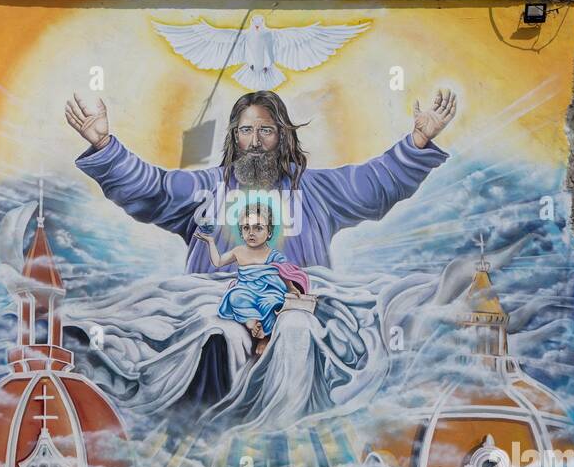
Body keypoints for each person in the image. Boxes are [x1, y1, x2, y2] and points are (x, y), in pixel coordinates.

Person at [65, 86, 457, 273]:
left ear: (282, 136)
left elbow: (373, 184)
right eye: (247, 131)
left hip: (294, 320)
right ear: (235, 137)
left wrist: (418, 141)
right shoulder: (208, 190)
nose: (256, 142)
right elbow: (153, 190)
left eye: (266, 131)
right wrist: (104, 145)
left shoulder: (314, 191)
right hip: (217, 321)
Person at [197, 204, 310, 355]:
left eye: (258, 228)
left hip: (269, 290)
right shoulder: (238, 251)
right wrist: (211, 242)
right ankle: (252, 323)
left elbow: (284, 273)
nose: (251, 233)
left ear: (269, 232)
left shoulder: (274, 255)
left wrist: (291, 288)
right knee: (235, 297)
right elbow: (218, 262)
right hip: (246, 289)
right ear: (241, 232)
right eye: (246, 228)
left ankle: (265, 335)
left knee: (271, 303)